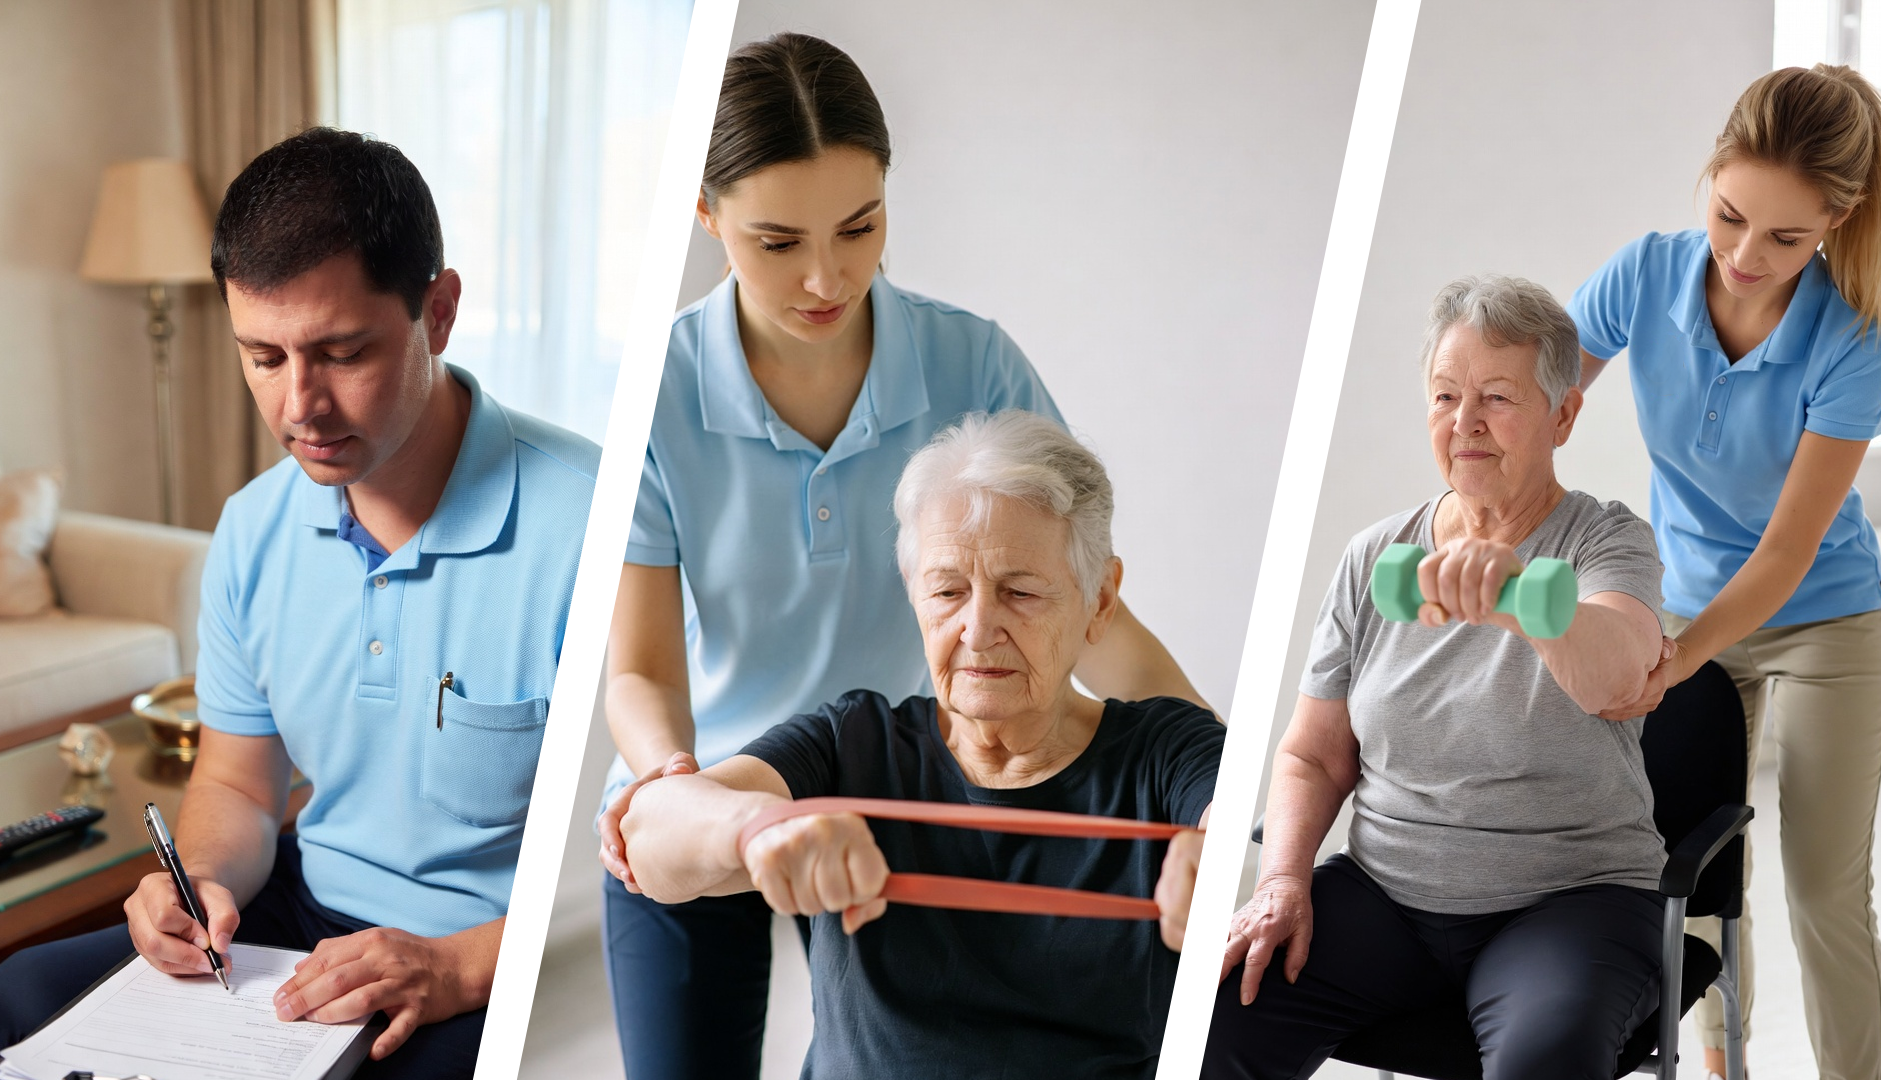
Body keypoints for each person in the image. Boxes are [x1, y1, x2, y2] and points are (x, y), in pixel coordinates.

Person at [591, 32, 1208, 1080]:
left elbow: (1082, 603)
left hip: (906, 790)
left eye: (861, 226)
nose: (827, 276)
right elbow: (641, 669)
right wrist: (694, 802)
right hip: (737, 775)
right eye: (778, 241)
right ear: (708, 219)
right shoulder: (655, 389)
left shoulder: (971, 361)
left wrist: (1211, 804)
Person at [0, 129, 597, 1078]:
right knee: (24, 992)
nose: (298, 407)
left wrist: (457, 965)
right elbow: (239, 785)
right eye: (263, 357)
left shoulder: (591, 529)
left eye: (341, 351)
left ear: (438, 312)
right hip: (302, 927)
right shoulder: (252, 528)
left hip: (494, 955)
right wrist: (197, 886)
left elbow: (625, 867)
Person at [618, 410, 1220, 1080]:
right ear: (914, 594)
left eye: (1020, 592)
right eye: (947, 591)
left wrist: (1218, 864)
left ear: (1100, 601)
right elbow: (649, 837)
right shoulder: (854, 741)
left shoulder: (1166, 750)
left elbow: (1248, 822)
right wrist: (757, 828)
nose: (978, 627)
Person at [1203, 276, 1672, 1080]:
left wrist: (1515, 602)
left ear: (1564, 416)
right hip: (1386, 894)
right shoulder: (1374, 556)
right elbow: (1313, 755)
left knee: (1546, 1062)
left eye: (1497, 396)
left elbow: (1617, 670)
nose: (1466, 423)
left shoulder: (1607, 540)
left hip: (1571, 900)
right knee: (1213, 1015)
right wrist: (1282, 881)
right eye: (1446, 396)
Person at [1569, 64, 1881, 1080]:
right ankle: (1725, 1064)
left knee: (1823, 894)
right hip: (1681, 607)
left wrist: (1670, 657)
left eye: (1787, 238)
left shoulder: (1855, 345)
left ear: (1837, 222)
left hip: (1822, 625)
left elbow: (1787, 553)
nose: (1747, 256)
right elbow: (1547, 400)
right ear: (1709, 176)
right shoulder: (1646, 276)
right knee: (1699, 875)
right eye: (1729, 217)